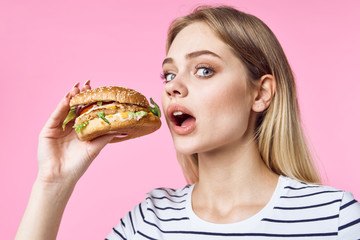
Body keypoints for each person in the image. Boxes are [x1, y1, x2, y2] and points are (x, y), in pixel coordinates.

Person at [16, 5, 360, 240]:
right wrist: (53, 182)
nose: (173, 86)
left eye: (204, 69)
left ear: (261, 94)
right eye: (168, 74)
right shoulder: (150, 220)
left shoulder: (334, 216)